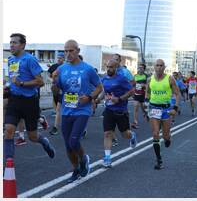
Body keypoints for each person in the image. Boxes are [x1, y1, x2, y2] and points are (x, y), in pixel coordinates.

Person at [52, 39, 102, 183]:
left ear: (78, 51)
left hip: (82, 110)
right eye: (65, 51)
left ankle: (84, 158)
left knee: (74, 141)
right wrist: (55, 81)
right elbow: (56, 91)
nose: (68, 54)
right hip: (67, 109)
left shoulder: (88, 69)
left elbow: (99, 87)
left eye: (71, 51)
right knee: (68, 145)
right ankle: (75, 169)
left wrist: (90, 97)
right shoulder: (62, 69)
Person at [4, 33, 55, 162]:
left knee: (32, 137)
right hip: (14, 100)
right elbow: (13, 79)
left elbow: (40, 82)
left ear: (22, 45)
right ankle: (8, 162)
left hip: (29, 102)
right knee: (8, 130)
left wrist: (21, 84)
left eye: (14, 43)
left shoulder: (30, 60)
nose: (11, 45)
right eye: (10, 43)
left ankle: (44, 142)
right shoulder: (10, 60)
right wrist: (8, 87)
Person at [98, 58, 137, 168]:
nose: (109, 69)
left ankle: (132, 135)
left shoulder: (121, 79)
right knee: (107, 133)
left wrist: (119, 99)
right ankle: (107, 158)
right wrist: (97, 100)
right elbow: (104, 92)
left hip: (121, 111)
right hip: (109, 110)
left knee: (125, 134)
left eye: (111, 67)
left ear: (116, 68)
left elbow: (131, 91)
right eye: (108, 67)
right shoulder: (104, 78)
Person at [145, 59, 180, 170]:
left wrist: (175, 108)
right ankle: (159, 159)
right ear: (154, 67)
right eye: (157, 65)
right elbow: (147, 93)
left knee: (165, 136)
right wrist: (146, 107)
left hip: (165, 110)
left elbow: (177, 94)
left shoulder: (170, 79)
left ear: (164, 67)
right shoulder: (150, 79)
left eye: (161, 65)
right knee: (155, 133)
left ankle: (168, 138)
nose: (159, 67)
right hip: (154, 108)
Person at [47, 52, 65, 135]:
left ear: (64, 59)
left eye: (60, 58)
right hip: (57, 89)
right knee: (58, 107)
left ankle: (82, 129)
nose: (59, 59)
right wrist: (53, 81)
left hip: (68, 91)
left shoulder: (66, 67)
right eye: (58, 58)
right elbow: (49, 75)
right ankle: (55, 127)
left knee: (71, 110)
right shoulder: (54, 66)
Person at [131, 63, 148, 129]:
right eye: (139, 67)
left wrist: (144, 86)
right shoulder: (135, 76)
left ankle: (145, 113)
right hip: (136, 94)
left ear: (144, 69)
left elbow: (148, 86)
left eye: (141, 68)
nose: (140, 69)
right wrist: (132, 93)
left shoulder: (146, 76)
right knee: (136, 107)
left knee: (143, 107)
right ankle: (135, 122)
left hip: (143, 94)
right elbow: (133, 85)